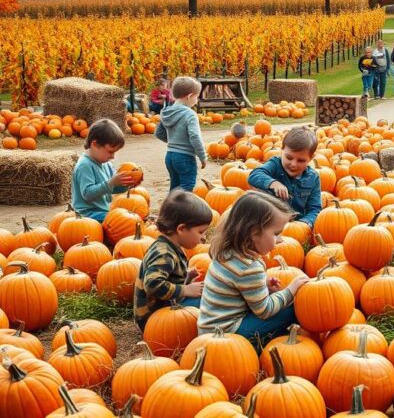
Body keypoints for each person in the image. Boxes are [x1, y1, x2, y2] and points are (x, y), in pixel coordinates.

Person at [198, 191, 309, 349]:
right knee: (294, 309)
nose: (280, 239)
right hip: (230, 336)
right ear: (254, 233)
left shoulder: (226, 252)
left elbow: (237, 286)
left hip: (209, 329)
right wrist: (292, 289)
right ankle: (263, 344)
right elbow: (265, 310)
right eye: (276, 234)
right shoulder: (249, 268)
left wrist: (263, 285)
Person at [134, 190, 212, 330]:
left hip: (166, 309)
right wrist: (185, 289)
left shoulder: (168, 247)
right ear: (181, 229)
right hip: (155, 320)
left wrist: (186, 277)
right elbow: (153, 285)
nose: (204, 238)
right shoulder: (164, 253)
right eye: (201, 232)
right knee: (208, 301)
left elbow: (167, 279)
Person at [248, 127, 322, 228]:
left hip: (295, 227)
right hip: (267, 223)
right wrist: (273, 183)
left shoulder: (313, 178)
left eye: (301, 160)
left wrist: (305, 223)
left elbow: (315, 208)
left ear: (311, 159)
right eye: (289, 157)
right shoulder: (275, 164)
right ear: (282, 150)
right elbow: (254, 175)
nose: (293, 164)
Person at [71, 118, 137, 222]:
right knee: (122, 221)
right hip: (86, 215)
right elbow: (87, 194)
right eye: (110, 152)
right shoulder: (85, 165)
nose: (113, 157)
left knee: (130, 217)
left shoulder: (105, 163)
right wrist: (111, 182)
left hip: (102, 212)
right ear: (95, 144)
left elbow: (112, 189)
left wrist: (125, 184)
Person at [155, 77, 207, 192]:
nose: (197, 101)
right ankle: (180, 209)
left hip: (170, 156)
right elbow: (195, 137)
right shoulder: (190, 114)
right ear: (189, 96)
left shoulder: (166, 112)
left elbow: (158, 133)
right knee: (187, 187)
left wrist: (173, 141)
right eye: (197, 97)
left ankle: (169, 209)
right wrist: (202, 156)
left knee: (175, 187)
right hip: (185, 158)